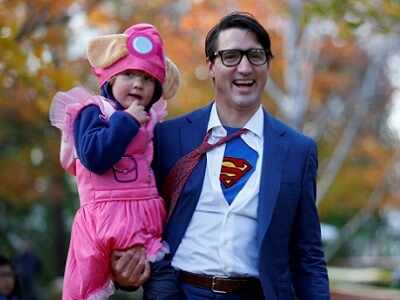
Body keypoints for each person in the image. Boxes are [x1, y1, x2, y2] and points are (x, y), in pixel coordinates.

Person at [112, 12, 330, 300]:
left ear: (267, 63)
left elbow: (308, 255)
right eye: (230, 56)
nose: (244, 67)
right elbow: (138, 219)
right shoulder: (168, 137)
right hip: (179, 293)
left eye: (255, 55)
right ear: (211, 66)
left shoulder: (298, 151)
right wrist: (126, 275)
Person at [49, 23, 181, 299]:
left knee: (165, 281)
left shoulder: (152, 120)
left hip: (145, 221)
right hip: (104, 219)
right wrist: (127, 121)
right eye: (129, 74)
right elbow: (94, 156)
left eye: (147, 79)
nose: (138, 83)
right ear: (110, 78)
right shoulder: (94, 111)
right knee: (85, 291)